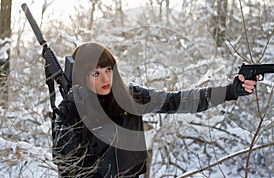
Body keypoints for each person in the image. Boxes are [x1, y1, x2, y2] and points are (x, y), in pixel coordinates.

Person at [53, 42, 257, 177]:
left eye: (108, 70)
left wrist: (230, 92)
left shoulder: (130, 97)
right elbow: (65, 166)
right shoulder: (68, 111)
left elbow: (179, 100)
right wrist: (73, 115)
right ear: (80, 76)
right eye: (96, 74)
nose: (106, 79)